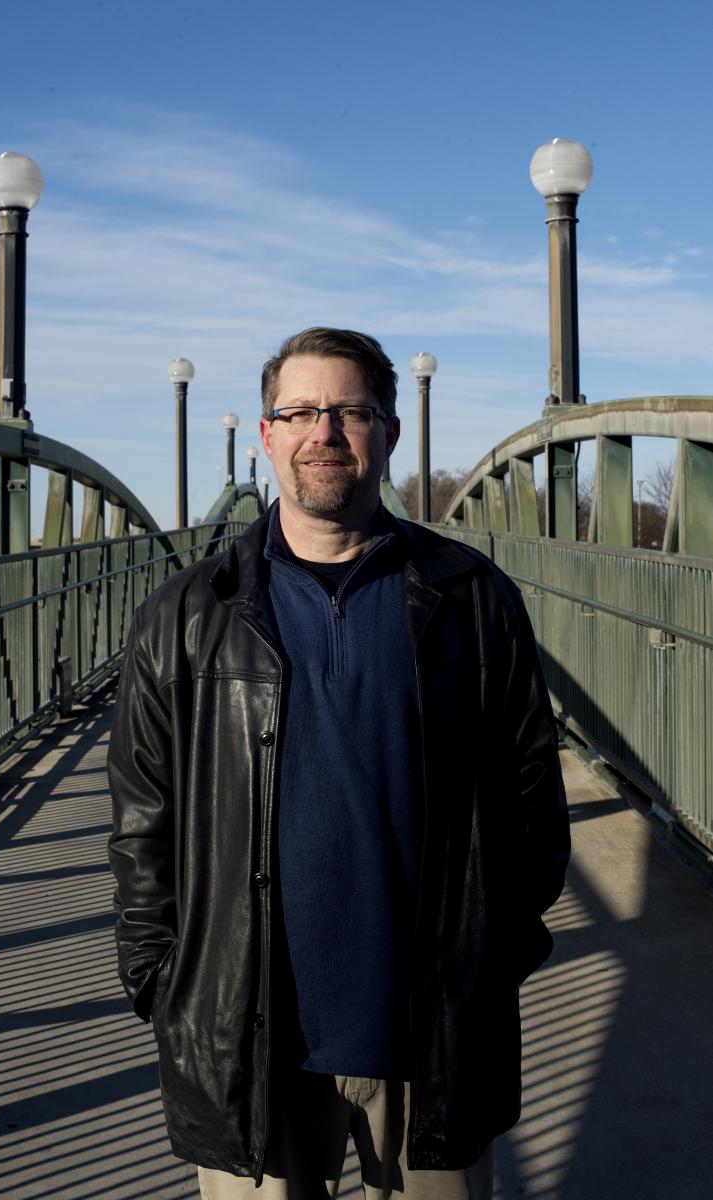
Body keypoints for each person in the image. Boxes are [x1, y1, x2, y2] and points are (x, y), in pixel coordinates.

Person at [107, 327, 569, 1199]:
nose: (324, 431)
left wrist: (494, 951)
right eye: (301, 411)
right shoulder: (186, 615)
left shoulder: (470, 599)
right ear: (266, 433)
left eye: (351, 411)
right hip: (245, 1034)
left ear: (388, 432)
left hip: (429, 1031)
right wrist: (160, 979)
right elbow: (143, 821)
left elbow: (531, 803)